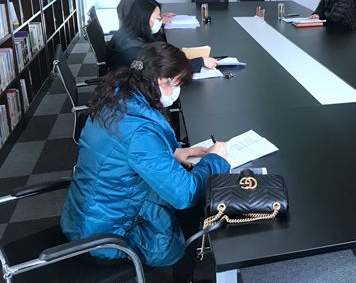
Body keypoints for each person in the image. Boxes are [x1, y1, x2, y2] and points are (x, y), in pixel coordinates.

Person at [61, 42, 231, 275]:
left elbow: (124, 151)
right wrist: (216, 159)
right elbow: (184, 194)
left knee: (188, 186)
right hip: (109, 237)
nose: (178, 91)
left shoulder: (117, 98)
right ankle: (187, 272)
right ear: (162, 80)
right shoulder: (140, 133)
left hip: (88, 216)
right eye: (178, 83)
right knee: (195, 205)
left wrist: (173, 152)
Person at [107, 0, 217, 71]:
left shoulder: (128, 32)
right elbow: (161, 70)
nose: (160, 20)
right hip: (131, 90)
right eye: (157, 18)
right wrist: (200, 62)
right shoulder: (133, 49)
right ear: (144, 18)